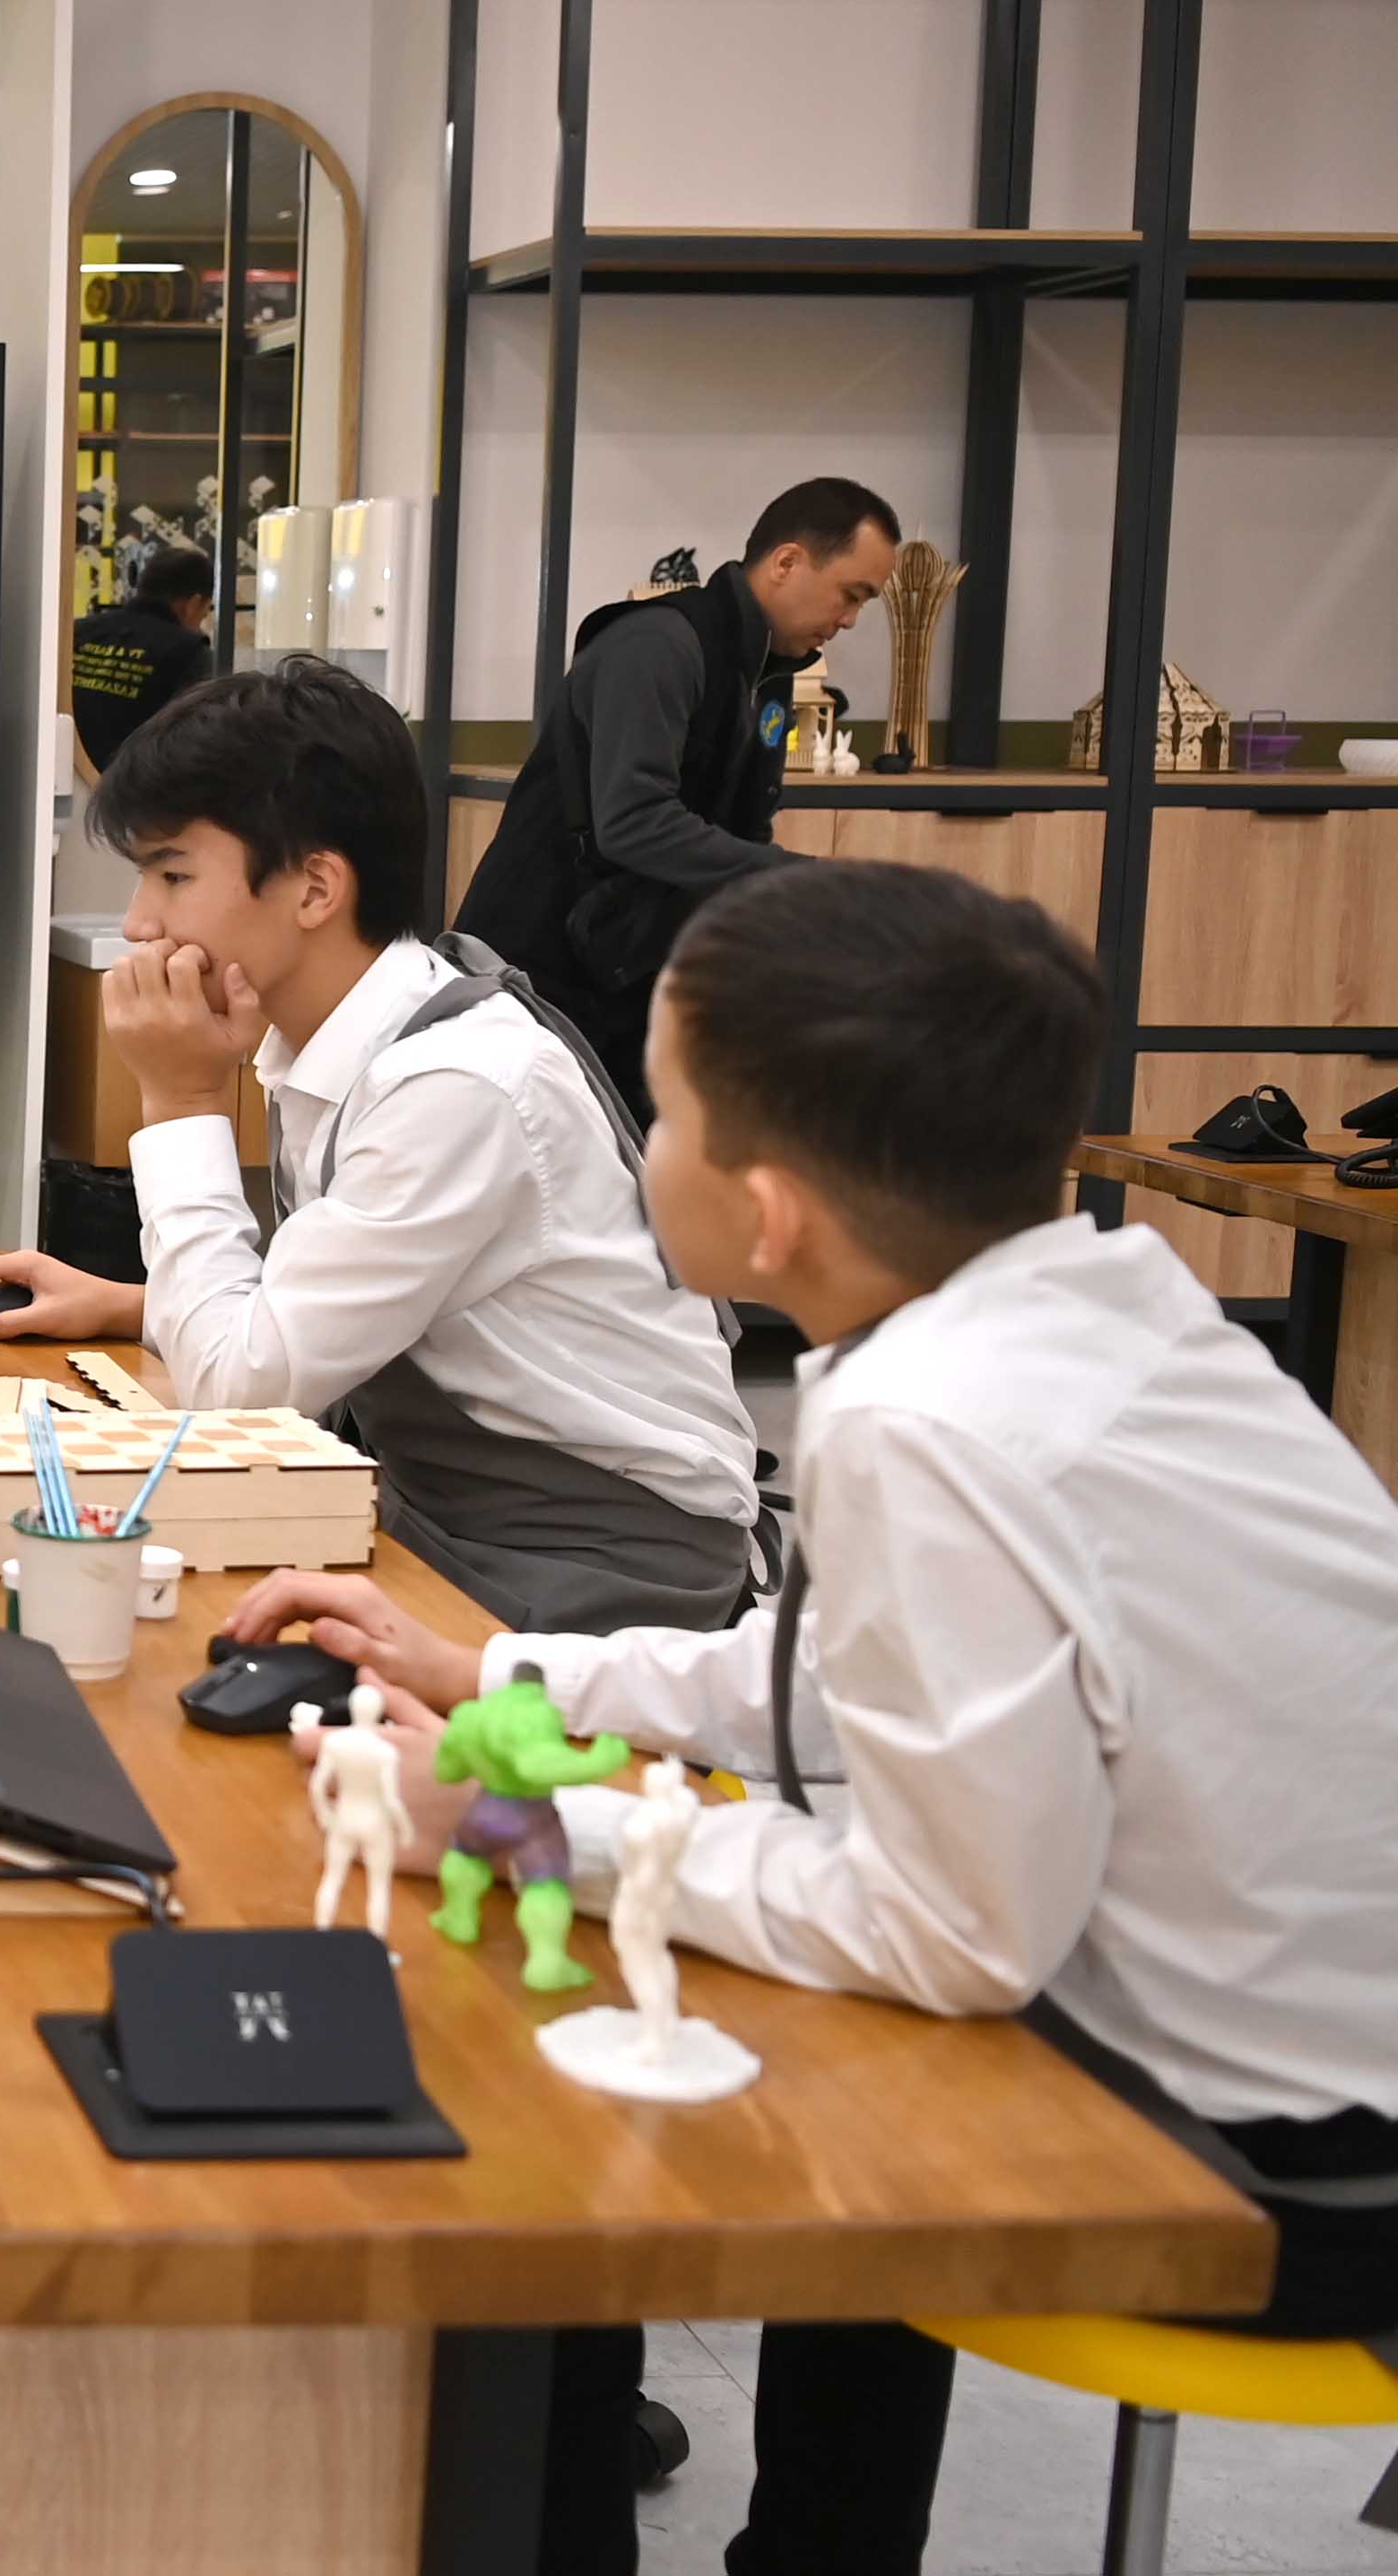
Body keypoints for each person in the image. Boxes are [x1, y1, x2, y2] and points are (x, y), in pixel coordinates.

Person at [234, 858, 1398, 2576]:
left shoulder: (926, 1421)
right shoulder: (1088, 1309)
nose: (638, 1148)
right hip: (1315, 2056)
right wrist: (496, 1673)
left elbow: (945, 1934)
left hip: (1296, 2166)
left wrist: (507, 1814)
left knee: (544, 2058)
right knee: (678, 1921)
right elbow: (830, 1667)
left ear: (766, 1213)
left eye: (662, 1112)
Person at [0, 660, 761, 1636]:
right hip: (452, 1505)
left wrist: (179, 1100)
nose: (137, 923)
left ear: (315, 887)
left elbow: (239, 1392)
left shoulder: (453, 1084)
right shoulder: (349, 1032)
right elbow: (330, 1307)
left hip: (597, 1563)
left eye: (172, 875)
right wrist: (135, 1302)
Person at [453, 476, 902, 1119]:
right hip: (537, 976)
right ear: (787, 562)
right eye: (851, 594)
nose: (852, 619)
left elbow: (743, 837)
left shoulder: (768, 678)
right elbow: (635, 822)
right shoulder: (658, 646)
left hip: (632, 974)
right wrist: (800, 876)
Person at [69, 544, 216, 767]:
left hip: (65, 772)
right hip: (132, 783)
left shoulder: (79, 631)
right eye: (205, 611)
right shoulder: (189, 652)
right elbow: (192, 740)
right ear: (193, 604)